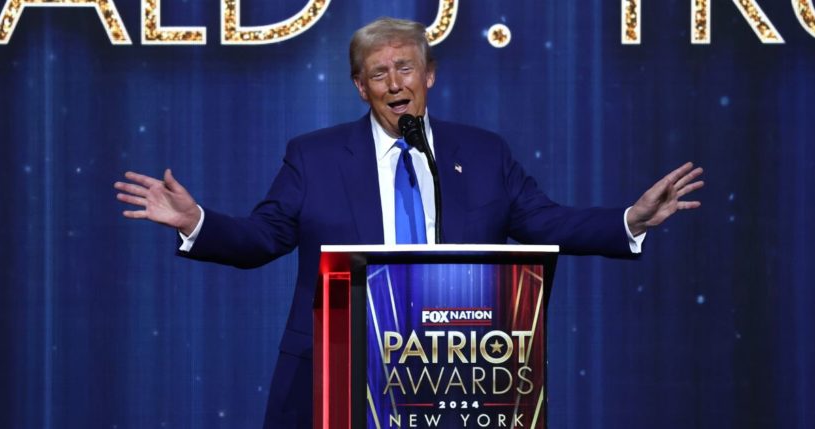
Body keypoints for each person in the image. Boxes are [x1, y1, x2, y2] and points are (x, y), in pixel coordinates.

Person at [114, 17, 703, 428]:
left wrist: (630, 218)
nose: (394, 83)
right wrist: (198, 222)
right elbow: (262, 237)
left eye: (405, 68)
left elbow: (545, 220)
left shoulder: (484, 151)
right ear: (359, 87)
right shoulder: (313, 155)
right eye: (378, 73)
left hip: (457, 372)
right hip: (341, 370)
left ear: (430, 76)